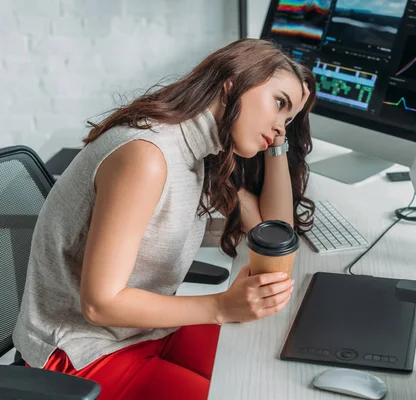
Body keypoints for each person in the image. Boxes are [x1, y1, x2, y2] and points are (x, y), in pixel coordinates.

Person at [13, 38, 316, 399]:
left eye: (290, 118)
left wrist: (279, 136)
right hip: (82, 354)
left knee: (266, 363)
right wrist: (222, 306)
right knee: (240, 390)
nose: (282, 125)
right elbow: (100, 304)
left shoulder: (201, 150)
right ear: (232, 81)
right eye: (278, 103)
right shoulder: (148, 156)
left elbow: (273, 230)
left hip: (144, 332)